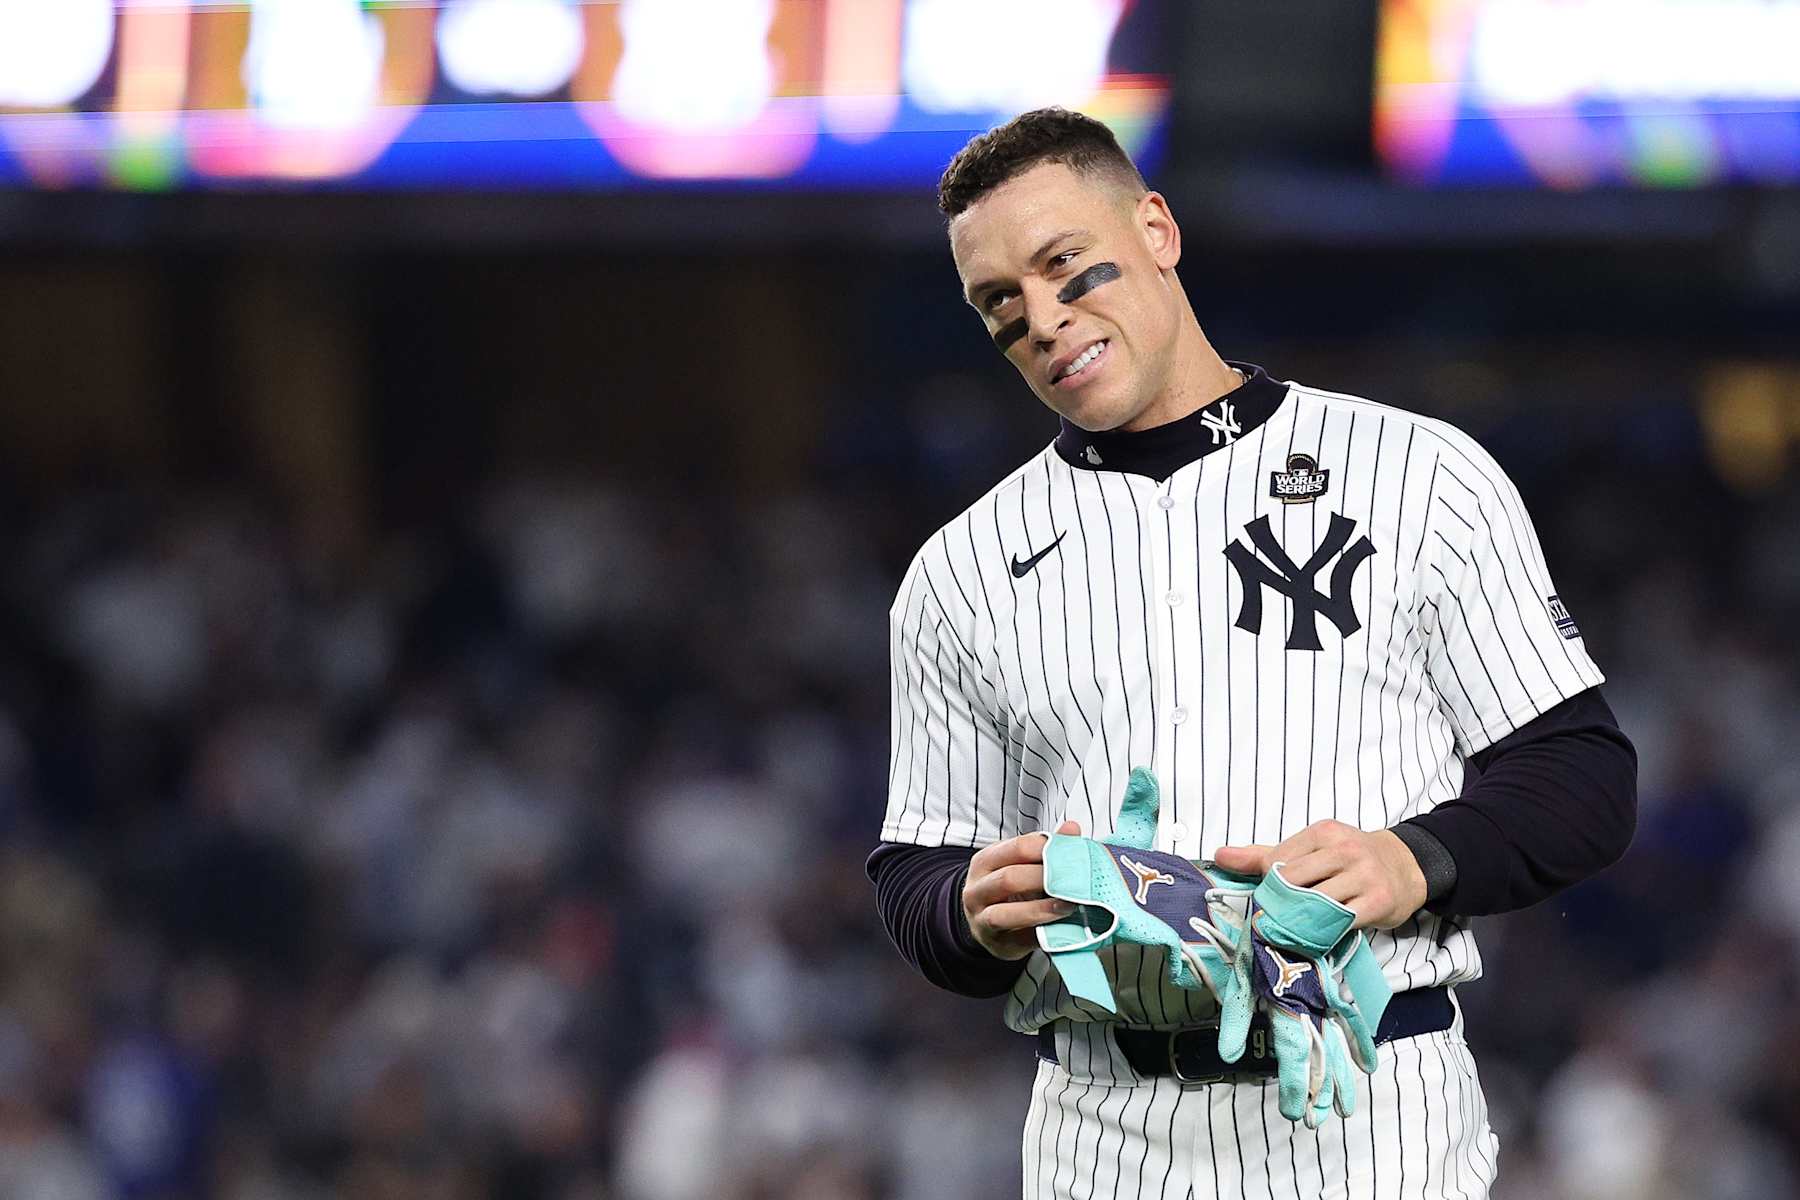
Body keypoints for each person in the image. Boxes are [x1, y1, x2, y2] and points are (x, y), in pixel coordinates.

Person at [866, 107, 1637, 1199]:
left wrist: (1411, 859)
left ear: (1157, 229)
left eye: (1067, 267)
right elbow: (916, 868)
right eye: (1001, 302)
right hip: (1101, 1135)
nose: (1041, 318)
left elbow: (1585, 778)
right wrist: (966, 910)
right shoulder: (961, 570)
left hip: (1371, 1119)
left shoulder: (1418, 475)